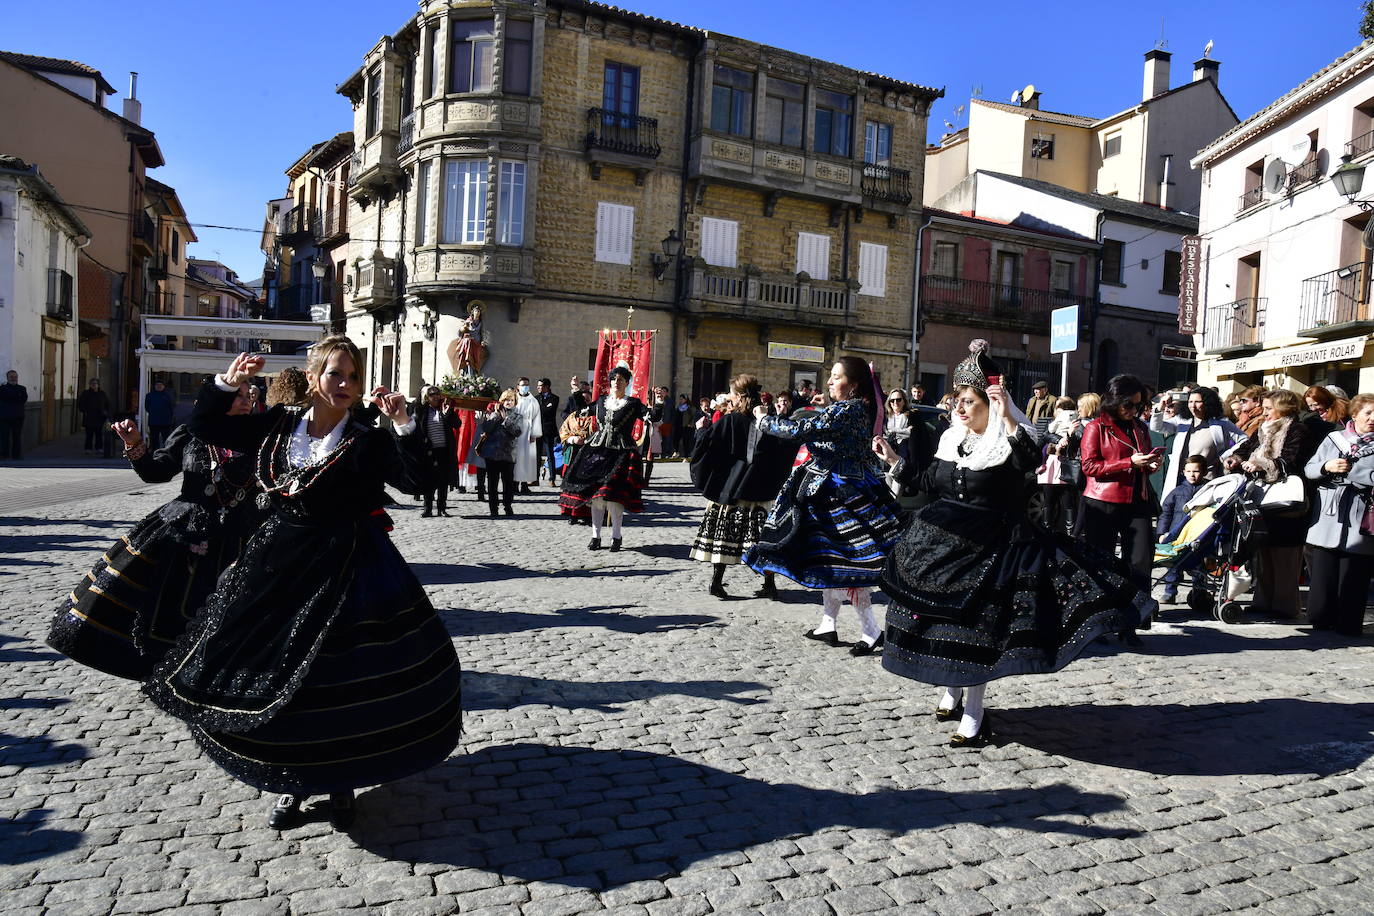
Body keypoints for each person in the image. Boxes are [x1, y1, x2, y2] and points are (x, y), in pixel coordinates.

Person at [141, 338, 461, 830]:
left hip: (348, 567)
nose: (346, 386)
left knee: (338, 682)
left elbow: (417, 483)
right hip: (276, 565)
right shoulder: (277, 425)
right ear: (314, 378)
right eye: (336, 374)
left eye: (354, 377)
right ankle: (290, 784)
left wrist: (403, 425)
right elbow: (206, 426)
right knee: (277, 675)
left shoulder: (367, 438)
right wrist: (228, 383)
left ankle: (340, 782)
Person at [878, 342, 1152, 747]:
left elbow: (1027, 457)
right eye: (957, 401)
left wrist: (1006, 415)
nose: (960, 409)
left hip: (992, 546)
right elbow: (926, 483)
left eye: (969, 402)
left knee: (976, 631)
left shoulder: (1008, 441)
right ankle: (950, 691)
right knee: (935, 620)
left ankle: (974, 713)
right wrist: (893, 461)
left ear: (989, 404)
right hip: (940, 541)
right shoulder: (951, 439)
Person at [47, 381, 260, 680]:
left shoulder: (262, 436)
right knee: (168, 607)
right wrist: (134, 445)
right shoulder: (191, 432)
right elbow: (156, 471)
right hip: (185, 528)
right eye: (236, 395)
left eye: (247, 395)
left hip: (240, 535)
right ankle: (164, 668)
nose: (245, 400)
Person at [744, 357, 902, 656]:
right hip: (833, 489)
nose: (829, 382)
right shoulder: (852, 408)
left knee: (847, 563)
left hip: (839, 492)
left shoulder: (849, 409)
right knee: (827, 560)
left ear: (853, 384)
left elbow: (800, 430)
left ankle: (871, 629)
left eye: (836, 377)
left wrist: (764, 419)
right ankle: (828, 623)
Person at [1079, 374, 1163, 644]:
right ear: (1115, 401)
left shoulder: (1139, 427)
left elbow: (1143, 459)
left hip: (1136, 501)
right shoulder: (1096, 427)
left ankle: (1131, 623)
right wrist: (1128, 463)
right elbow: (1090, 467)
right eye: (1128, 405)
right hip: (1102, 502)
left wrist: (1150, 465)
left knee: (1140, 562)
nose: (1133, 410)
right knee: (1101, 562)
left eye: (1138, 405)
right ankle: (1100, 622)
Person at [1224, 389, 1314, 619]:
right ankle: (1263, 601)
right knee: (1263, 550)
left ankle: (1285, 605)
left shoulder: (1297, 429)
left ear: (1282, 409)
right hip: (1262, 497)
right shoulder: (1262, 429)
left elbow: (1293, 459)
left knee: (1285, 554)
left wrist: (1264, 465)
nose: (1263, 413)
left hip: (1286, 500)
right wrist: (1236, 458)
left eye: (1268, 409)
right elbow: (1245, 449)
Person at [689, 374, 779, 599]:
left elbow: (708, 446)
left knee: (724, 536)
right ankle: (769, 583)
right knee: (761, 537)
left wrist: (700, 430)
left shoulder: (729, 421)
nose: (729, 398)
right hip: (758, 487)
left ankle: (717, 582)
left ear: (739, 397)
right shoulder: (766, 421)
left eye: (731, 394)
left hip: (732, 488)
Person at [1304, 393, 1374, 636]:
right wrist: (1326, 467)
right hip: (1329, 515)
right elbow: (1310, 469)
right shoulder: (1333, 439)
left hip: (1362, 517)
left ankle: (1348, 623)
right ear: (1354, 414)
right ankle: (1321, 618)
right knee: (1323, 571)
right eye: (1368, 413)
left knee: (1354, 574)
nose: (1373, 418)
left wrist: (1354, 472)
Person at [559, 366, 646, 549]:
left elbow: (651, 416)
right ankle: (596, 536)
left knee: (614, 499)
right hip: (597, 451)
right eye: (614, 379)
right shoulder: (601, 402)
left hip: (621, 454)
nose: (616, 382)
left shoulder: (633, 404)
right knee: (597, 498)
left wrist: (659, 403)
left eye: (621, 379)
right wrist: (576, 391)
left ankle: (616, 536)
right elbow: (582, 410)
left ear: (627, 383)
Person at [1150, 386, 1247, 500]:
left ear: (1207, 403)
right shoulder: (1182, 420)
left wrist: (1226, 455)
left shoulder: (1221, 423)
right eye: (1190, 402)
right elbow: (1157, 427)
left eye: (1197, 402)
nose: (1192, 405)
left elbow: (1244, 439)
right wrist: (1159, 409)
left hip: (1209, 479)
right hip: (1182, 479)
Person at [1156, 455, 1207, 604]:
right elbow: (1165, 513)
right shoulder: (1177, 491)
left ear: (1204, 472)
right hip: (1176, 534)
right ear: (1183, 472)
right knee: (1174, 565)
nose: (1192, 474)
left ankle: (1200, 593)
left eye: (1196, 471)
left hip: (1198, 534)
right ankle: (1169, 592)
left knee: (1198, 566)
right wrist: (1161, 533)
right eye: (1189, 471)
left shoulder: (1208, 490)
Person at [1037, 397, 1081, 536]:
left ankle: (1069, 536)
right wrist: (1059, 440)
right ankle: (1047, 533)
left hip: (1066, 466)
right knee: (1049, 501)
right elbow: (1044, 437)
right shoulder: (1052, 422)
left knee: (1067, 502)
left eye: (1057, 407)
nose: (1056, 410)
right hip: (1051, 465)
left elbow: (1077, 443)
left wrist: (1069, 437)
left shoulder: (1077, 422)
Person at [415, 385, 461, 517]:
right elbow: (416, 426)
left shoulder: (445, 409)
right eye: (431, 394)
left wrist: (448, 413)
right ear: (426, 397)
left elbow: (457, 424)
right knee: (429, 480)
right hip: (429, 451)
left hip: (444, 451)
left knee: (443, 480)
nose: (435, 396)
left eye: (437, 393)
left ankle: (442, 508)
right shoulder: (421, 410)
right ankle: (428, 508)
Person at [478, 389, 523, 518]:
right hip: (492, 454)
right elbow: (486, 428)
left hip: (508, 454)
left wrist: (506, 420)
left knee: (508, 482)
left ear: (515, 402)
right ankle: (493, 507)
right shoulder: (493, 414)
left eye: (511, 400)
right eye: (505, 400)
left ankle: (507, 506)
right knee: (492, 482)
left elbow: (517, 432)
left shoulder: (518, 416)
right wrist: (495, 416)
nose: (508, 402)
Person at [513, 377, 542, 494]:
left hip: (528, 433)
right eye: (523, 385)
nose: (525, 387)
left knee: (527, 460)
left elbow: (537, 417)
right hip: (515, 432)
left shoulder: (533, 401)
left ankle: (524, 484)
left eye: (527, 385)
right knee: (516, 459)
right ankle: (514, 484)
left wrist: (534, 433)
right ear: (518, 387)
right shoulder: (514, 399)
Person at [448, 302, 486, 376]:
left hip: (477, 342)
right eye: (476, 311)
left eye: (478, 311)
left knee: (476, 359)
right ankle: (467, 372)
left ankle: (474, 372)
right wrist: (464, 328)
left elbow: (483, 333)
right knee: (467, 346)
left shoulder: (481, 323)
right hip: (469, 343)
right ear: (472, 312)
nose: (477, 313)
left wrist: (482, 341)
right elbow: (459, 333)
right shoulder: (468, 321)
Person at [535, 378, 560, 485]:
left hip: (549, 430)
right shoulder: (535, 398)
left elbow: (548, 411)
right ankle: (535, 478)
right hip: (537, 429)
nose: (538, 387)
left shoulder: (554, 398)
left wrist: (541, 408)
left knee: (550, 455)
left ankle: (552, 478)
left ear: (546, 387)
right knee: (537, 455)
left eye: (540, 385)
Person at [78, 378, 111, 455]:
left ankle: (99, 448)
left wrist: (106, 412)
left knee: (99, 434)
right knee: (89, 434)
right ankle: (88, 448)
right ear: (90, 385)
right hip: (89, 417)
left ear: (98, 385)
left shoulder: (102, 394)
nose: (94, 385)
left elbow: (107, 404)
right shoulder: (86, 393)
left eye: (96, 384)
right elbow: (81, 404)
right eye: (93, 384)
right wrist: (85, 411)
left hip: (100, 418)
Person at [0, 369, 26, 460]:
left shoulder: (22, 388)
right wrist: (15, 398)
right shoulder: (2, 389)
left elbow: (23, 400)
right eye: (11, 377)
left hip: (18, 417)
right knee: (4, 437)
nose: (14, 378)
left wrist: (12, 398)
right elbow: (4, 399)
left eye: (15, 377)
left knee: (17, 437)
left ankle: (16, 455)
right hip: (4, 417)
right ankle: (4, 455)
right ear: (7, 378)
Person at [144, 380, 175, 449]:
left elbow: (172, 407)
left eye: (160, 385)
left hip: (166, 422)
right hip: (154, 422)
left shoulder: (168, 396)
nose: (159, 386)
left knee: (166, 440)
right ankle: (154, 453)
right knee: (154, 440)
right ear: (154, 386)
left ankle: (166, 454)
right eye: (157, 385)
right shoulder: (149, 395)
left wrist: (171, 418)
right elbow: (147, 407)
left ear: (164, 386)